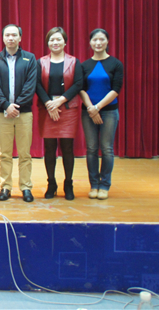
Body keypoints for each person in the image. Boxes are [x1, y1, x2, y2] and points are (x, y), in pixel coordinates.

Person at [0, 24, 38, 202]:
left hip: (24, 113)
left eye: (14, 35)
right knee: (5, 153)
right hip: (2, 114)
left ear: (20, 38)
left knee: (25, 153)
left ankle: (26, 187)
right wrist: (5, 106)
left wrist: (15, 106)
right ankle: (5, 187)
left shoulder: (30, 58)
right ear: (3, 38)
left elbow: (30, 86)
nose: (11, 38)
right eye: (7, 35)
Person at [35, 27, 83, 201]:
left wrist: (60, 101)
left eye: (58, 39)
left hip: (67, 109)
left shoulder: (74, 61)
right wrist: (49, 104)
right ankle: (51, 184)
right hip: (47, 108)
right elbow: (37, 84)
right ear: (48, 43)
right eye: (52, 40)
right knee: (49, 148)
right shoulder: (41, 62)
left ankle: (68, 184)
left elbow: (78, 84)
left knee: (67, 148)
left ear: (65, 42)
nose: (55, 42)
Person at [79, 28, 123, 200]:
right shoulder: (84, 65)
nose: (98, 43)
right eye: (95, 40)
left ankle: (104, 185)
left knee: (106, 149)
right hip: (88, 112)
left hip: (109, 112)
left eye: (101, 39)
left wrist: (97, 107)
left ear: (107, 41)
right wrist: (91, 108)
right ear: (90, 42)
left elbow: (116, 89)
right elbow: (81, 89)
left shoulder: (116, 64)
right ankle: (94, 185)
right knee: (91, 149)